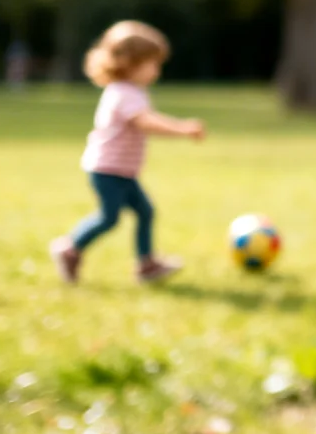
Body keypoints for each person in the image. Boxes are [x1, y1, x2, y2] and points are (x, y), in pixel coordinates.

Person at [49, 21, 205, 285]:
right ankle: (69, 249)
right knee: (109, 218)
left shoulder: (130, 92)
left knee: (145, 212)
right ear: (130, 64)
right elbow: (146, 123)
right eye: (152, 63)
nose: (157, 70)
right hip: (107, 170)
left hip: (121, 170)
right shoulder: (124, 94)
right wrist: (183, 129)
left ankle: (146, 265)